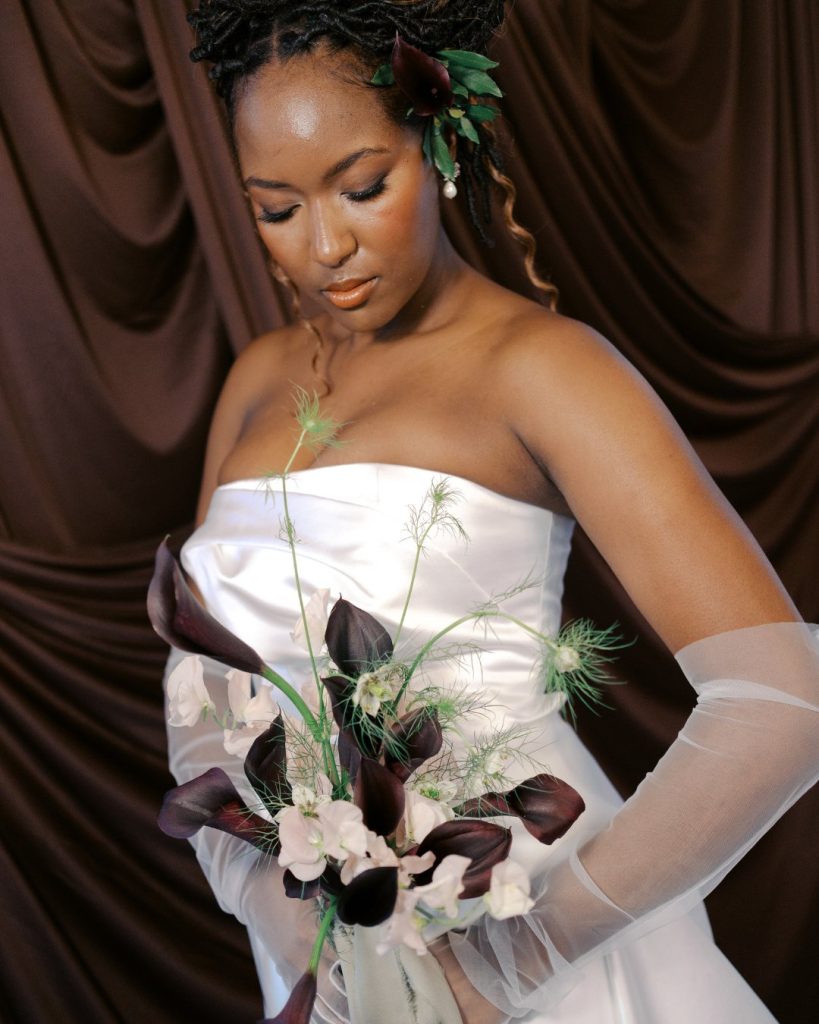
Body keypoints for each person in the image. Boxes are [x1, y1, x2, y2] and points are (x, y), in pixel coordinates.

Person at [163, 2, 819, 1021]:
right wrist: (273, 901)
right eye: (276, 208)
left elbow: (785, 700)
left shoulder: (545, 371)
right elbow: (202, 687)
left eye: (364, 187)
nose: (326, 246)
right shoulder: (256, 381)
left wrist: (519, 958)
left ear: (442, 137)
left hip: (540, 945)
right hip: (334, 973)